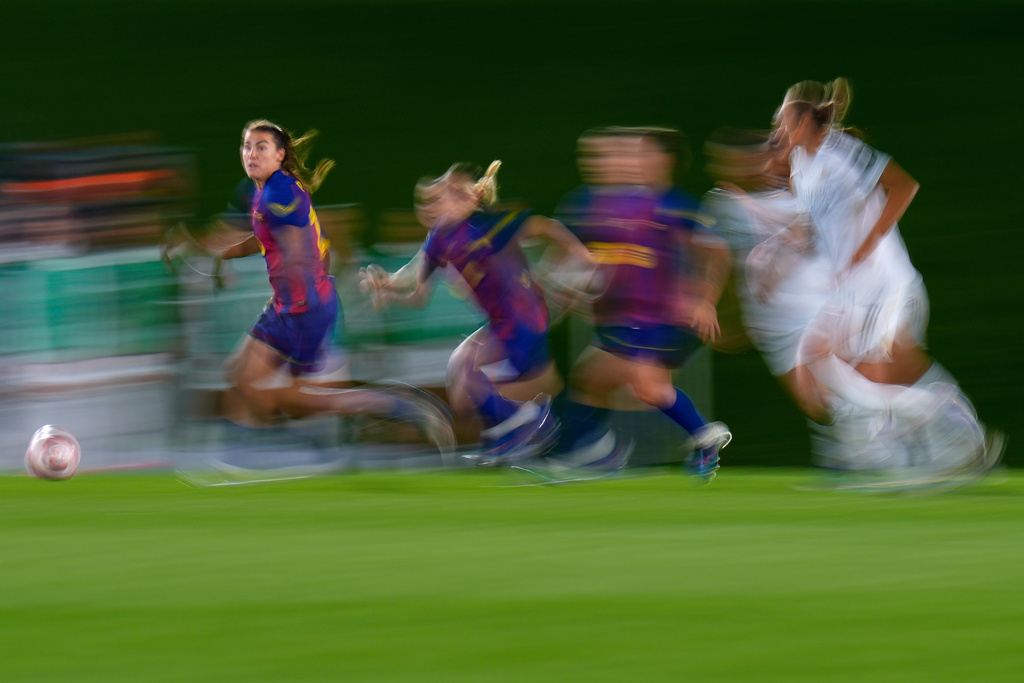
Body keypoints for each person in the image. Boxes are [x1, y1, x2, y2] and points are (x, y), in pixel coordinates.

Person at [173, 120, 455, 452]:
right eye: (246, 146)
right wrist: (222, 256)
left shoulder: (282, 193)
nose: (251, 154)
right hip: (286, 307)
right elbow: (265, 237)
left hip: (303, 309)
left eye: (261, 147)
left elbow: (293, 246)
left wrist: (298, 282)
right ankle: (271, 443)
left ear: (280, 155)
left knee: (286, 397)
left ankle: (395, 408)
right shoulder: (264, 191)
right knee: (241, 376)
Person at [771, 79, 1002, 481]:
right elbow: (814, 227)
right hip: (850, 289)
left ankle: (924, 438)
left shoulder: (841, 150)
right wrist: (782, 249)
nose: (777, 131)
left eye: (783, 120)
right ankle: (926, 427)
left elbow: (903, 185)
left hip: (880, 280)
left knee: (878, 368)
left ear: (806, 119)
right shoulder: (800, 167)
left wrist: (866, 245)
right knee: (819, 356)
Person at [362, 160, 593, 465]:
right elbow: (417, 291)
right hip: (502, 323)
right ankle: (533, 436)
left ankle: (528, 427)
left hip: (525, 318)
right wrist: (387, 285)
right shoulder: (440, 237)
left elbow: (547, 226)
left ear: (473, 198)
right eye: (438, 196)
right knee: (468, 381)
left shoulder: (493, 224)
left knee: (468, 373)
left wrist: (582, 258)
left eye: (452, 193)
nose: (438, 202)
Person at [553, 127, 733, 480]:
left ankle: (587, 451)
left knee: (632, 382)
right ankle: (598, 451)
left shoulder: (665, 204)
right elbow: (581, 259)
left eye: (615, 155)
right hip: (616, 316)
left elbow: (717, 252)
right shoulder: (586, 203)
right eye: (595, 156)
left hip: (653, 316)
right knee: (601, 381)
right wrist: (570, 289)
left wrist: (704, 299)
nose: (604, 162)